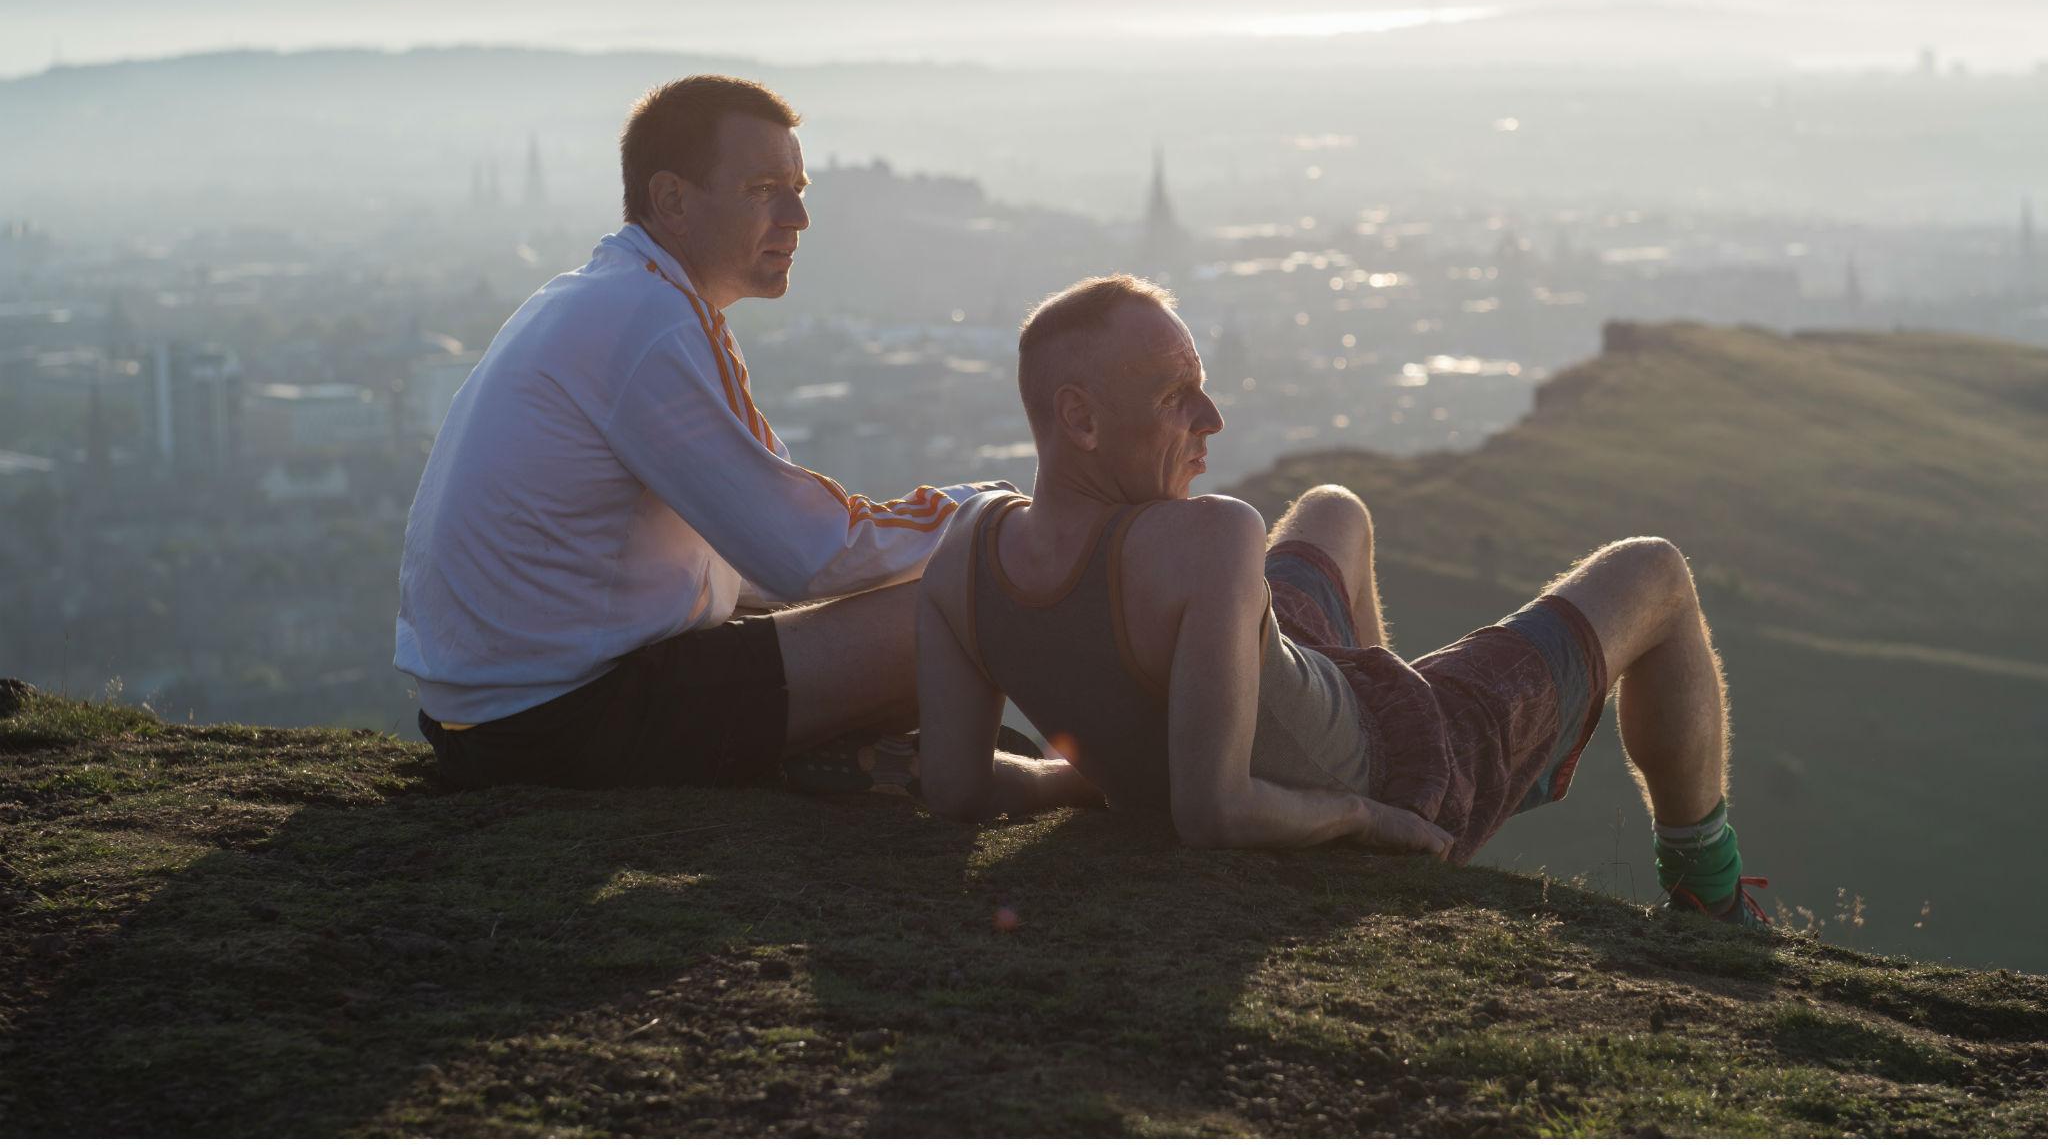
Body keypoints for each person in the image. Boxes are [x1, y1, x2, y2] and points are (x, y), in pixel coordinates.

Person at [914, 273, 1766, 925]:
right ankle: (1712, 893)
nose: (1211, 417)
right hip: (1401, 765)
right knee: (1654, 573)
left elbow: (954, 786)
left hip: (1297, 676)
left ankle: (1377, 684)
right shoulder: (1209, 539)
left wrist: (1093, 779)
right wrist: (1367, 817)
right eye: (1178, 397)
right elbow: (1214, 813)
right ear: (1082, 420)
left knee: (1334, 509)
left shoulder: (961, 553)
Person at [396, 75, 998, 791]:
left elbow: (755, 554)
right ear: (673, 200)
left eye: (799, 186)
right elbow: (809, 554)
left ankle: (854, 762)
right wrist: (986, 517)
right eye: (764, 188)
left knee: (911, 606)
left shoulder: (612, 297)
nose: (798, 215)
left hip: (490, 720)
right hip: (559, 724)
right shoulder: (650, 323)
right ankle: (1025, 784)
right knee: (974, 598)